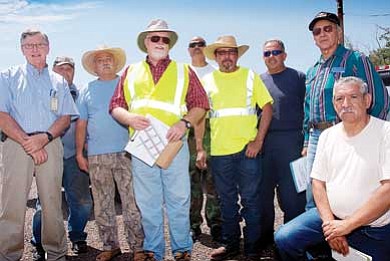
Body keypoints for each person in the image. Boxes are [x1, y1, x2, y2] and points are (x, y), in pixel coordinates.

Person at [110, 19, 209, 261]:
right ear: (146, 42)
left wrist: (184, 123)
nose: (161, 43)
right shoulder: (130, 72)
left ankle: (182, 249)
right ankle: (154, 250)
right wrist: (130, 118)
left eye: (165, 39)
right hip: (143, 147)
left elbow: (201, 105)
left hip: (174, 146)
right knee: (148, 203)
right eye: (155, 38)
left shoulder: (184, 71)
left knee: (179, 199)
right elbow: (115, 106)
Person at [275, 76, 390, 260]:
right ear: (334, 105)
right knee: (285, 238)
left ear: (367, 100)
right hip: (333, 219)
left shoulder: (385, 133)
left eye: (353, 97)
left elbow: (388, 190)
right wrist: (331, 226)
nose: (345, 104)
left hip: (374, 230)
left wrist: (348, 225)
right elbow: (318, 182)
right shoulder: (327, 136)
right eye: (339, 99)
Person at [0, 28, 78, 261]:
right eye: (29, 45)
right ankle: (8, 255)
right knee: (11, 202)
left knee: (52, 201)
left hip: (50, 143)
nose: (34, 49)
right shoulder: (7, 77)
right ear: (22, 49)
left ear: (48, 47)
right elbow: (2, 115)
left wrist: (43, 139)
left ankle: (56, 253)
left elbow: (65, 117)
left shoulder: (59, 82)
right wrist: (28, 143)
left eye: (39, 44)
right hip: (16, 143)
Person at [303, 11, 389, 209]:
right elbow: (307, 108)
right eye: (317, 31)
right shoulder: (312, 70)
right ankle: (320, 235)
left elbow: (379, 100)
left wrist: (369, 134)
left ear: (339, 33)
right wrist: (307, 141)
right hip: (316, 137)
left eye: (328, 29)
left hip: (347, 134)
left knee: (348, 188)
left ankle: (354, 233)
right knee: (314, 190)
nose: (322, 34)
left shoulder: (356, 59)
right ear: (314, 38)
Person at [202, 35, 273, 260]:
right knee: (227, 202)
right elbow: (199, 118)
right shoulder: (207, 81)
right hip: (220, 153)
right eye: (222, 53)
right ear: (216, 57)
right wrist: (201, 148)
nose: (227, 57)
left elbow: (268, 108)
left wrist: (258, 141)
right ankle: (230, 246)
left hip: (248, 152)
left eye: (231, 52)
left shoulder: (250, 76)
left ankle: (252, 248)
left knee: (251, 201)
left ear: (237, 55)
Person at [76, 46, 144, 261]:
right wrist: (79, 153)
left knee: (131, 202)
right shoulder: (86, 89)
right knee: (103, 203)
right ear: (94, 67)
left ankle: (138, 248)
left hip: (127, 153)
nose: (105, 62)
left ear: (115, 63)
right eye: (100, 60)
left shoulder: (127, 85)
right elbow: (81, 123)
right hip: (97, 156)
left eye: (108, 59)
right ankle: (110, 245)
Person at [30, 56, 93, 260]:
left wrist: (85, 151)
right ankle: (39, 242)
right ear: (53, 71)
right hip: (48, 154)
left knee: (82, 202)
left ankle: (77, 237)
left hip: (75, 156)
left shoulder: (82, 93)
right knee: (44, 206)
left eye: (69, 69)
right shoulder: (42, 92)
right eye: (61, 69)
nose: (65, 72)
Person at [259, 39, 307, 247]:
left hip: (292, 143)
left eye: (276, 52)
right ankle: (265, 238)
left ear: (284, 55)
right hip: (264, 143)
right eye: (267, 53)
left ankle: (292, 240)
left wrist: (306, 142)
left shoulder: (299, 78)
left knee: (293, 197)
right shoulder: (257, 81)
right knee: (262, 195)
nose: (271, 56)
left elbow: (309, 110)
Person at [187, 36, 222, 242]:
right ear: (188, 50)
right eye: (193, 45)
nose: (197, 47)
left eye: (201, 44)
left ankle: (216, 223)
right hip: (188, 130)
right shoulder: (183, 73)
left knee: (212, 181)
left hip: (210, 129)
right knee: (190, 181)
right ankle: (193, 224)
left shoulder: (215, 73)